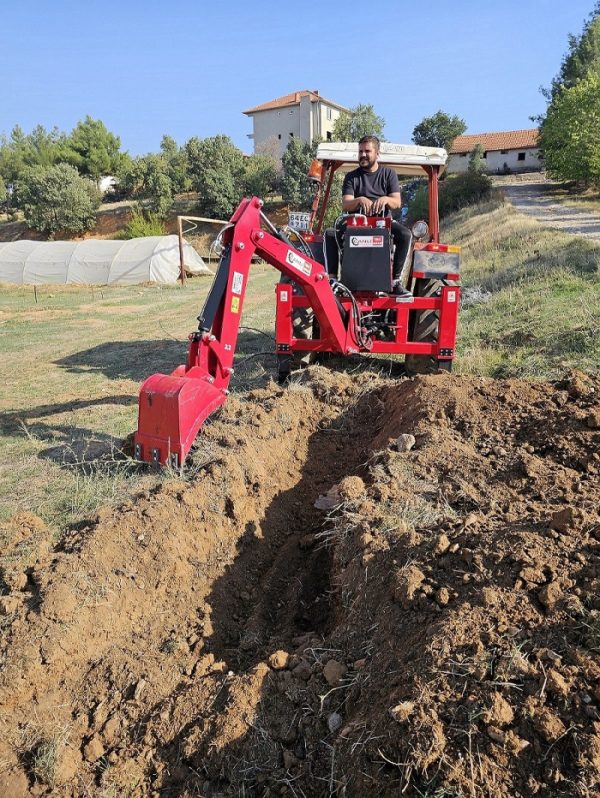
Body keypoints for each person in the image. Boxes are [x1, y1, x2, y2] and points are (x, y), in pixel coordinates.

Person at [342, 135, 412, 292]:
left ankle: (395, 282)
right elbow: (346, 204)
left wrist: (386, 199)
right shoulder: (351, 177)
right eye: (360, 151)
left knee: (405, 235)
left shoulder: (389, 174)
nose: (363, 155)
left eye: (367, 151)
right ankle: (339, 280)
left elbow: (397, 202)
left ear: (377, 153)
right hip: (357, 225)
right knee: (331, 234)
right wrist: (359, 200)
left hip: (383, 224)